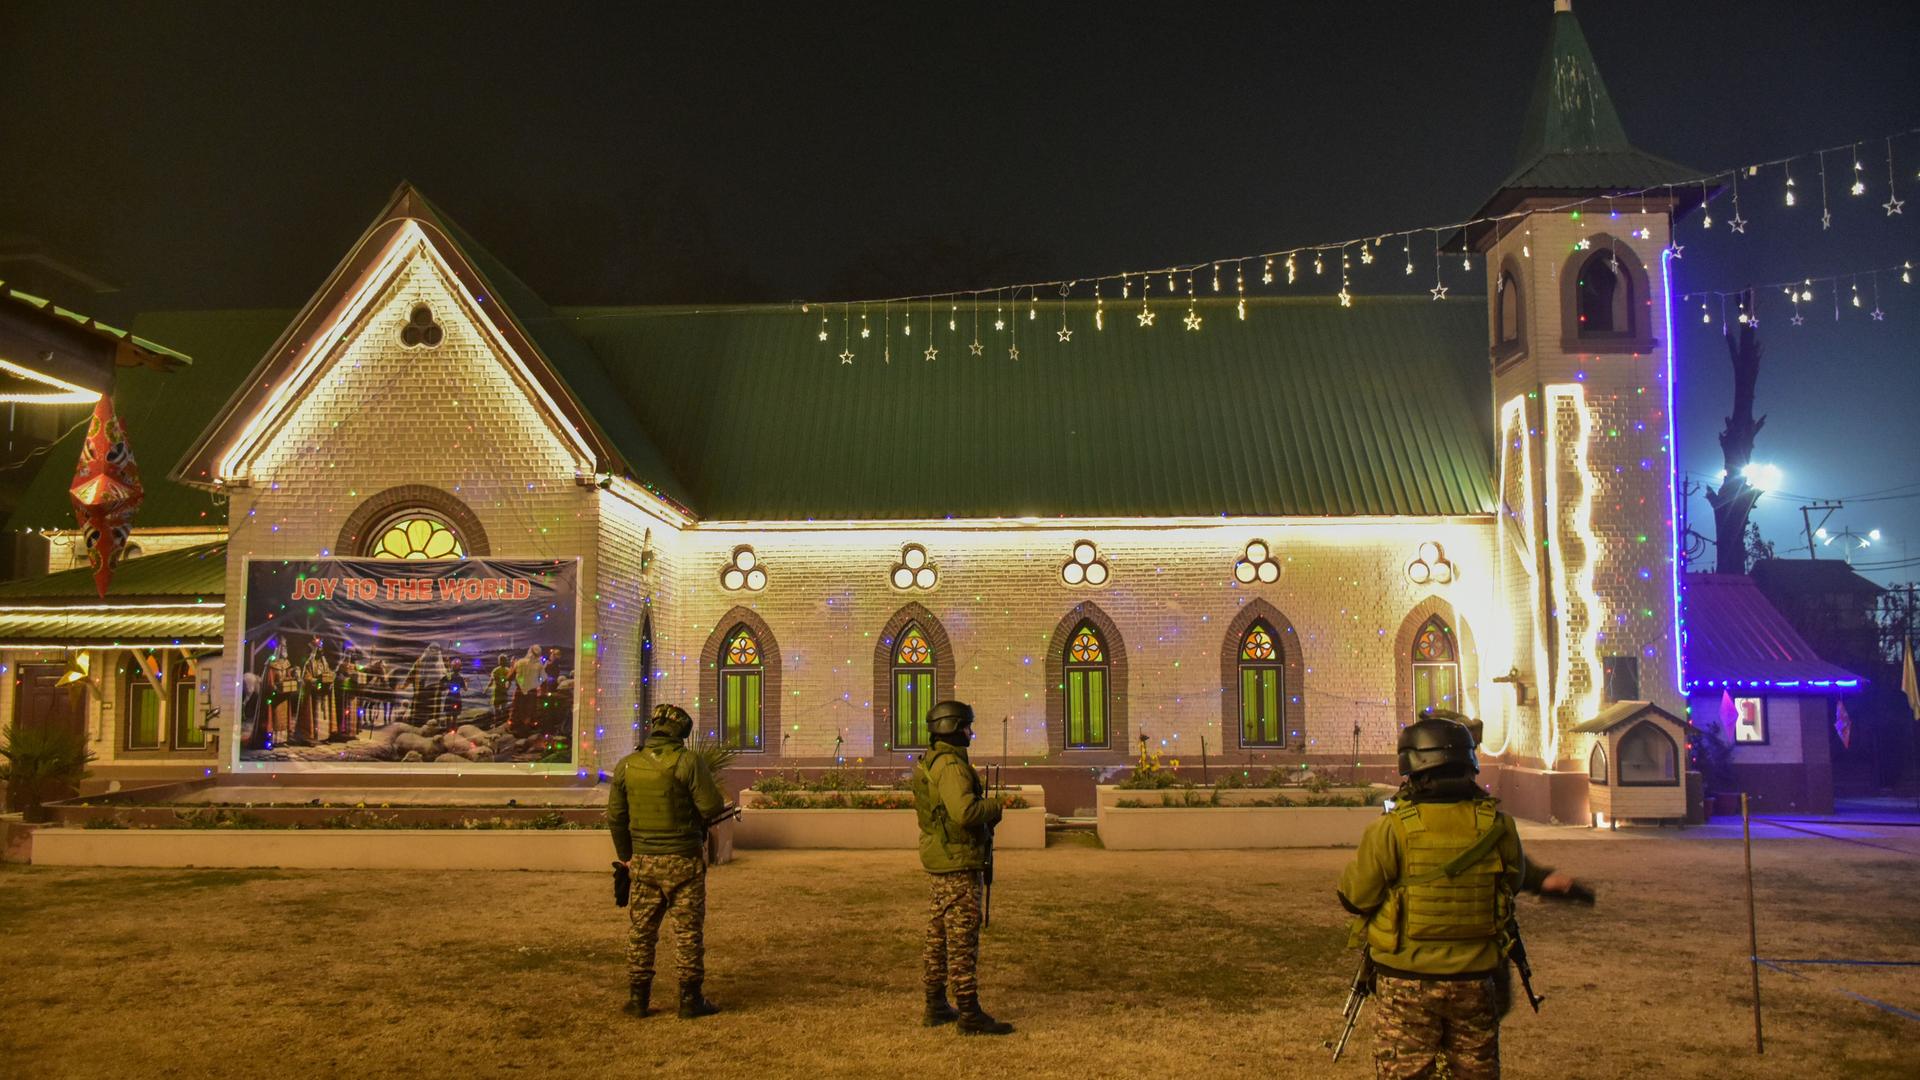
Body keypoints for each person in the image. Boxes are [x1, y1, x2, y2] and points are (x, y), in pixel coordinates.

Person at [1337, 712, 1584, 1079]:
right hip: (1475, 979)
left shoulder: (1390, 829)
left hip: (1406, 980)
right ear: (1469, 763)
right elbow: (1513, 883)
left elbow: (1357, 897)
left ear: (1412, 768)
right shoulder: (1497, 825)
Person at [607, 703, 726, 1019]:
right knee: (687, 933)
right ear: (681, 733)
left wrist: (627, 857)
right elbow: (711, 806)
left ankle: (638, 999)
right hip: (683, 861)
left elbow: (616, 817)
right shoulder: (689, 762)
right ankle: (690, 1000)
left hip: (644, 863)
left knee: (641, 932)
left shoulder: (627, 765)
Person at [910, 700, 1012, 1036]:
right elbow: (964, 812)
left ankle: (936, 1004)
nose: (971, 732)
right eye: (967, 726)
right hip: (957, 861)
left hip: (943, 858)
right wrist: (994, 807)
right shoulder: (951, 766)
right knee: (961, 939)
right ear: (952, 727)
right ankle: (969, 1013)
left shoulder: (933, 760)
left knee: (938, 936)